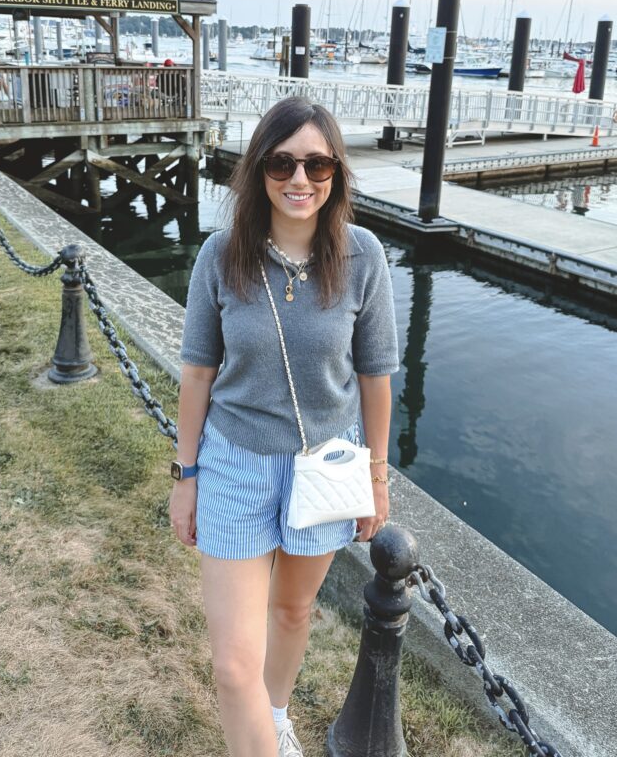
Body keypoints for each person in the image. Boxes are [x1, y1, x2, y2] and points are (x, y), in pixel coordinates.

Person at [170, 96, 399, 757]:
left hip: (324, 468)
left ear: (335, 173)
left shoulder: (363, 256)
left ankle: (274, 715)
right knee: (231, 664)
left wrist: (377, 476)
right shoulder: (220, 257)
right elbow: (196, 376)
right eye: (281, 163)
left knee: (293, 612)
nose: (300, 180)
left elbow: (375, 376)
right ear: (257, 171)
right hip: (234, 466)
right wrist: (185, 477)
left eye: (317, 164)